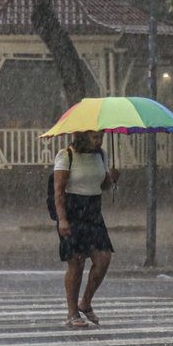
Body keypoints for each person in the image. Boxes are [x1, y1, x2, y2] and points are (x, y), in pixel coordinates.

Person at [53, 130, 119, 328]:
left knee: (104, 258)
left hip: (93, 211)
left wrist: (112, 178)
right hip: (72, 211)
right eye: (94, 137)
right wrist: (62, 219)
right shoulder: (66, 155)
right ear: (82, 136)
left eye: (101, 137)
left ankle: (86, 302)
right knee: (76, 263)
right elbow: (59, 191)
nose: (99, 141)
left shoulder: (101, 155)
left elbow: (103, 186)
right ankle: (72, 313)